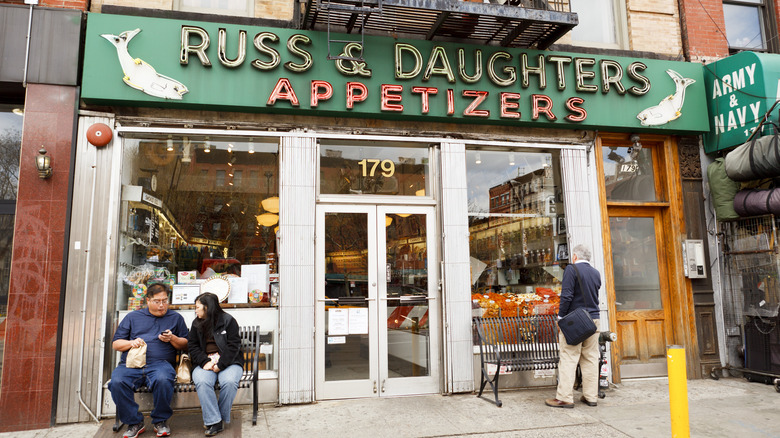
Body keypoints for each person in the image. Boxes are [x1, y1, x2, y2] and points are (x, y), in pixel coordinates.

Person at [109, 283, 189, 438]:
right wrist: (131, 343)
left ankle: (160, 420)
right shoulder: (133, 317)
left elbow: (186, 345)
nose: (162, 305)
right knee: (117, 382)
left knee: (163, 379)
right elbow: (116, 344)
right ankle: (134, 422)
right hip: (130, 365)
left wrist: (172, 338)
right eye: (157, 301)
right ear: (148, 300)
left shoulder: (176, 318)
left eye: (165, 301)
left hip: (160, 364)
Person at [546, 244, 601, 409]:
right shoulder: (596, 273)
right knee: (591, 358)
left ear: (575, 256)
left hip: (575, 321)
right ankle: (591, 397)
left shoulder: (571, 269)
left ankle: (564, 398)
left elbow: (567, 295)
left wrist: (560, 317)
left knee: (569, 357)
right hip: (594, 320)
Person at [188, 292, 244, 436]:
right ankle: (215, 421)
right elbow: (192, 346)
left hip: (229, 361)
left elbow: (234, 346)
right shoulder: (196, 323)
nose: (195, 310)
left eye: (197, 307)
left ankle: (215, 419)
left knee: (230, 381)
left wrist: (221, 364)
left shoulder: (228, 321)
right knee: (202, 381)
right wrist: (204, 361)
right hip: (205, 362)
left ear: (207, 307)